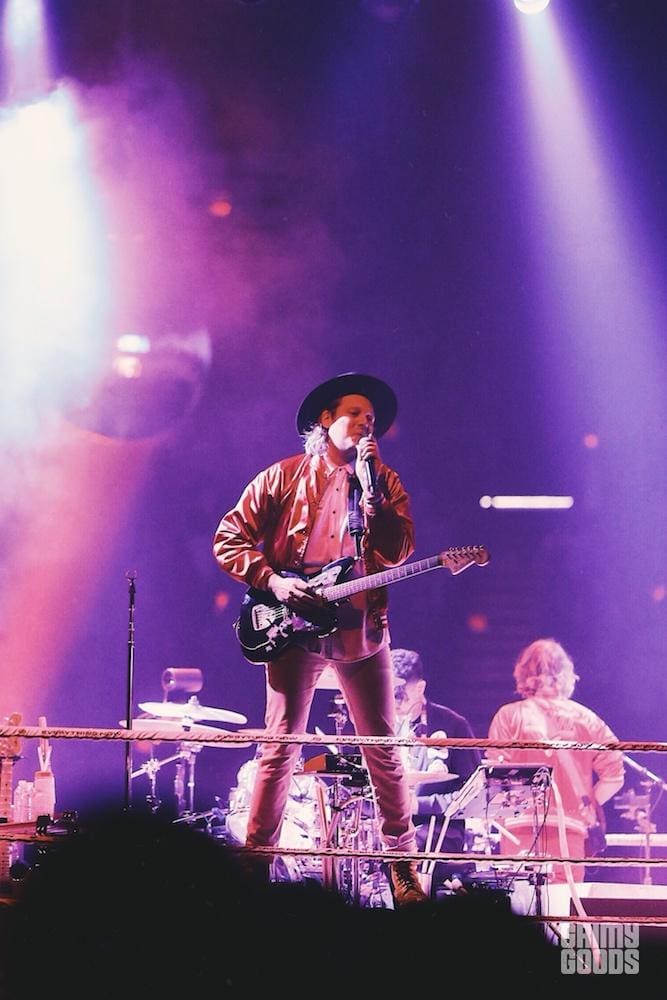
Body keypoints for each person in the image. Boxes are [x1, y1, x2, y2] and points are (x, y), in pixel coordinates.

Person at [213, 372, 427, 905]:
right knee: (280, 745)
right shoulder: (283, 477)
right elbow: (228, 538)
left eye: (371, 419)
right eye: (354, 413)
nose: (365, 424)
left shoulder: (383, 482)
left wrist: (374, 497)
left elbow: (398, 552)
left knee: (383, 749)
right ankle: (255, 865)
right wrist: (274, 581)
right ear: (326, 420)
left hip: (359, 622)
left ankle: (402, 866)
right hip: (295, 620)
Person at [486, 638, 625, 903]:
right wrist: (584, 805)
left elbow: (495, 778)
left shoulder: (508, 716)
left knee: (521, 906)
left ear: (522, 673)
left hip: (519, 828)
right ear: (565, 673)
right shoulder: (587, 718)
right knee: (563, 909)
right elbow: (614, 777)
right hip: (569, 830)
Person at [390, 647, 482, 897]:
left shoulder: (453, 725)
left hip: (441, 830)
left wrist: (418, 805)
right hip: (395, 827)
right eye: (391, 694)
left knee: (405, 849)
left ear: (420, 688)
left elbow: (473, 794)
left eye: (401, 695)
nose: (395, 703)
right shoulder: (385, 726)